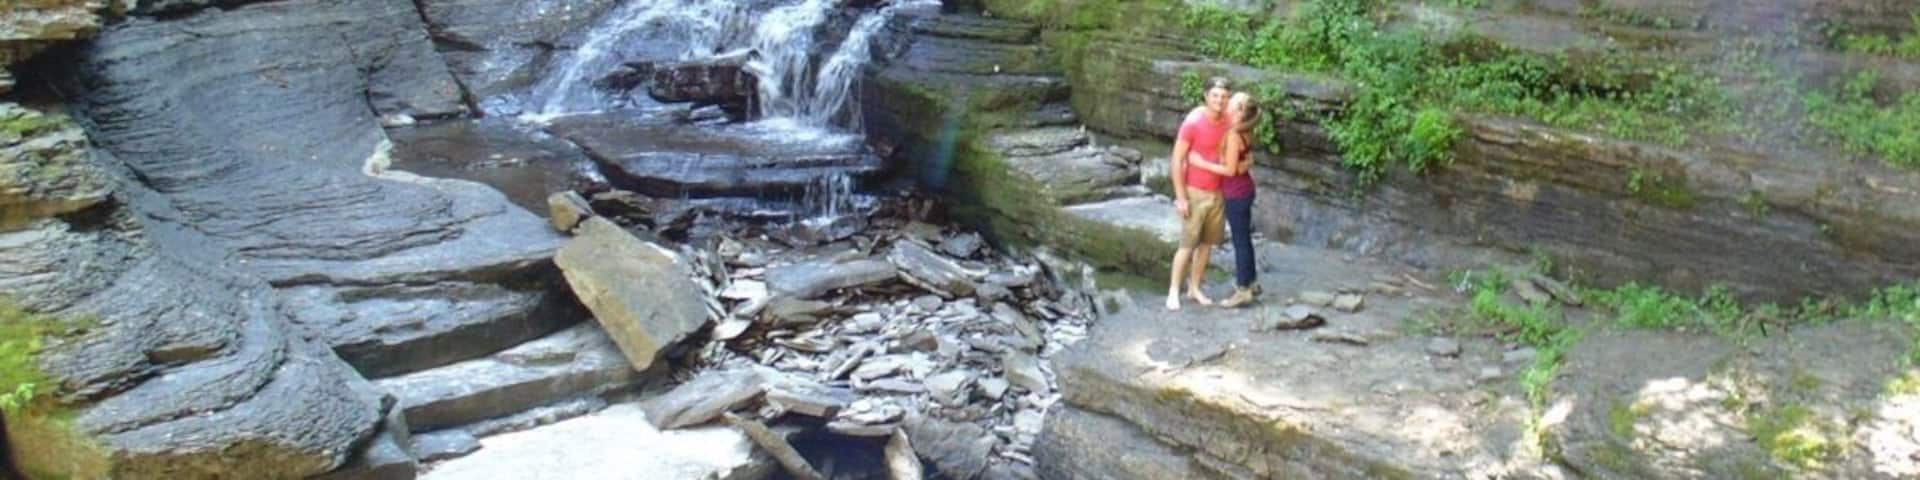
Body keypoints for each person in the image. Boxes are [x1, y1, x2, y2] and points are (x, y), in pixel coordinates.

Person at [1186, 92, 1261, 308]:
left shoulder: (1234, 135)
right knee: (1245, 238)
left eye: (1233, 101)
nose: (1227, 102)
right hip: (1245, 189)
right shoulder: (1245, 130)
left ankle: (1243, 289)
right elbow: (1246, 160)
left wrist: (1200, 162)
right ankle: (1252, 282)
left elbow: (1229, 170)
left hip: (1236, 193)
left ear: (1239, 112)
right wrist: (1242, 165)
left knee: (1240, 241)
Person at [1167, 77, 1233, 311]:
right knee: (1187, 244)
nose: (1220, 100)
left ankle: (1194, 287)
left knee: (1206, 245)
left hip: (1218, 192)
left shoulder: (1228, 120)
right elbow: (1177, 159)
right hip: (1195, 191)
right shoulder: (1193, 123)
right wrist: (1181, 196)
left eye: (1224, 96)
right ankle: (1173, 290)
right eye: (1215, 95)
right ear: (1206, 96)